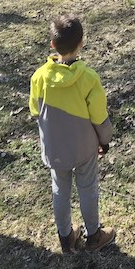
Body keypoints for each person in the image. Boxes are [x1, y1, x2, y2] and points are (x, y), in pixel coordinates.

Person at [29, 14, 116, 253]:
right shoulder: (88, 78)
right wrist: (105, 141)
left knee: (60, 189)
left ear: (52, 44)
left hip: (55, 149)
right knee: (88, 188)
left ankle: (66, 238)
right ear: (81, 43)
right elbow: (99, 116)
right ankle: (94, 235)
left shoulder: (38, 78)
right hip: (84, 148)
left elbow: (35, 110)